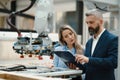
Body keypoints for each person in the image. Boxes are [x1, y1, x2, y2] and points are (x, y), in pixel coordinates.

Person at [75, 9, 118, 80]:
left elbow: (113, 62)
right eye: (87, 23)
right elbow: (87, 67)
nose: (89, 25)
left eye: (91, 22)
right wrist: (76, 64)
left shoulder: (112, 39)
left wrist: (88, 60)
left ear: (101, 22)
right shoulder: (89, 42)